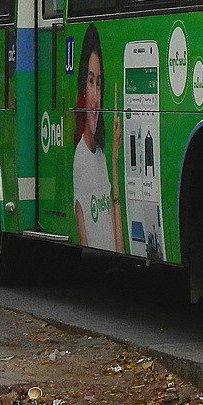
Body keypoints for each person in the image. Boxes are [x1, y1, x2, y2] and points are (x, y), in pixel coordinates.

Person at [73, 24, 125, 251]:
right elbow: (86, 245)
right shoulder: (79, 161)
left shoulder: (102, 155)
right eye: (91, 81)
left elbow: (118, 244)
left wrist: (114, 159)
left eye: (99, 83)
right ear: (83, 88)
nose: (95, 97)